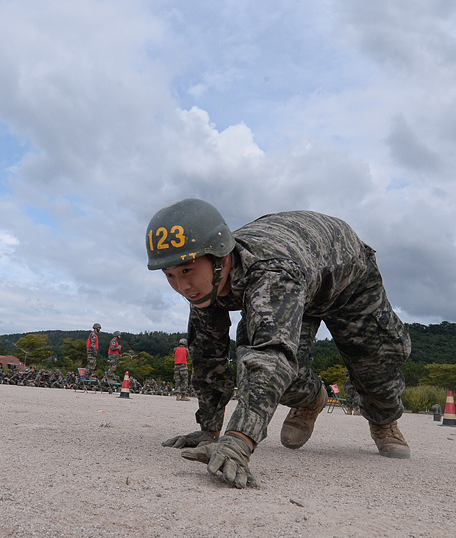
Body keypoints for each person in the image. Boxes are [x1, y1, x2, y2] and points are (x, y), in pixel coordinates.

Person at [147, 198, 411, 489]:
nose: (182, 287)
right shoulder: (205, 283)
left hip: (347, 279)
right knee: (280, 370)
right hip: (301, 275)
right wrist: (209, 429)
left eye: (187, 271)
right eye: (169, 275)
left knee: (376, 363)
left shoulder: (270, 273)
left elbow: (270, 357)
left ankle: (384, 422)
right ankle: (311, 400)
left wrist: (238, 441)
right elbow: (208, 355)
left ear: (221, 258)